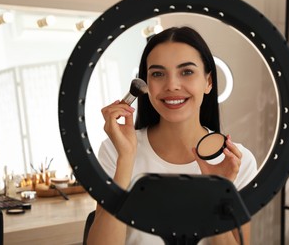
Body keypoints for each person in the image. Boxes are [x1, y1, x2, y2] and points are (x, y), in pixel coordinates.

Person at [88, 26, 257, 245]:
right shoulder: (116, 151)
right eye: (158, 74)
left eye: (186, 72)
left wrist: (216, 190)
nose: (172, 85)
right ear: (146, 84)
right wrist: (126, 159)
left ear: (208, 82)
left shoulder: (237, 162)